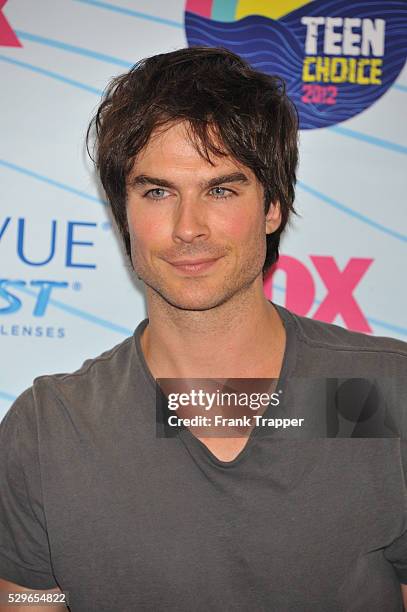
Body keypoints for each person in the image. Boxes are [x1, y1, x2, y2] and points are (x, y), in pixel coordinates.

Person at [0, 47, 406, 612]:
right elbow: (24, 606)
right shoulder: (49, 429)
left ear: (273, 208)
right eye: (158, 191)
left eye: (221, 190)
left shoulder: (386, 392)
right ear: (124, 211)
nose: (188, 227)